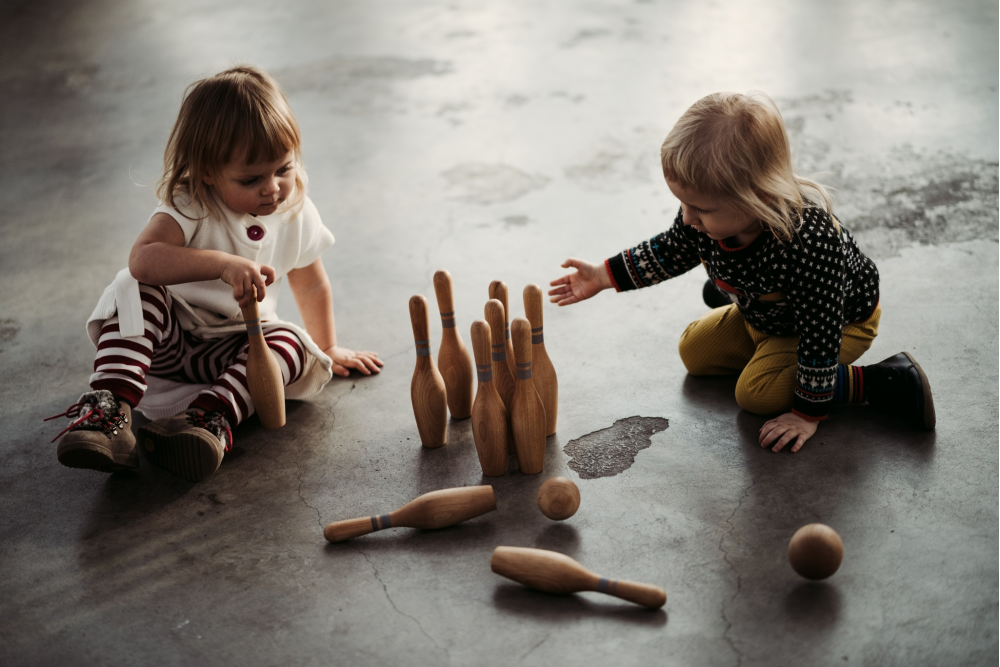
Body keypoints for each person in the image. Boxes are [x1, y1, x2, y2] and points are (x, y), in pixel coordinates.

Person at [549, 92, 934, 454]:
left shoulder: (807, 243)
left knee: (756, 394)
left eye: (700, 210)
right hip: (771, 315)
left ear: (760, 196)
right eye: (683, 204)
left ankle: (885, 381)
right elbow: (669, 249)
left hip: (839, 322)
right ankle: (741, 291)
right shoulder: (705, 213)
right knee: (692, 351)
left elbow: (820, 334)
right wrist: (603, 275)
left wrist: (806, 412)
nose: (687, 218)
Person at [47, 65, 382, 480]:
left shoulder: (295, 212)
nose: (273, 188)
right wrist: (223, 264)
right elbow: (143, 258)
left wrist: (329, 348)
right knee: (132, 288)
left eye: (284, 169)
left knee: (293, 341)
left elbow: (311, 283)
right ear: (207, 171)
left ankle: (206, 420)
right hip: (167, 346)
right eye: (251, 178)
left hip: (235, 353)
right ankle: (110, 413)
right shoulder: (191, 203)